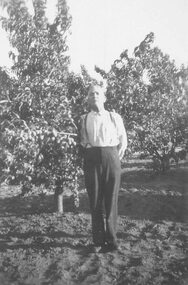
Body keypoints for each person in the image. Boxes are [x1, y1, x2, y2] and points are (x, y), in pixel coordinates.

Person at [79, 83, 127, 252]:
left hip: (111, 157)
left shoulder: (114, 117)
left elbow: (123, 138)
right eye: (91, 93)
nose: (94, 96)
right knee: (95, 201)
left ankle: (112, 239)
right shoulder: (84, 118)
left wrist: (116, 155)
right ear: (87, 98)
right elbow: (82, 142)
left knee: (111, 199)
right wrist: (89, 153)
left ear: (104, 97)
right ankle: (98, 241)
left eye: (98, 93)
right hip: (92, 160)